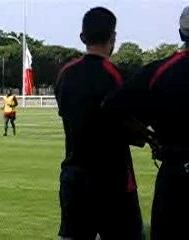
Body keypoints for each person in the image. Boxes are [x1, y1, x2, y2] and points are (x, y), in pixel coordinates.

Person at [55, 7, 144, 240]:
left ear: (83, 37)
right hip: (113, 181)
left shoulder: (65, 73)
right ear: (112, 37)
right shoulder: (117, 75)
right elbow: (132, 124)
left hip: (74, 179)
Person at [102, 6, 189, 240]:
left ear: (181, 34)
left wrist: (149, 136)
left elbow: (111, 107)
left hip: (176, 177)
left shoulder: (159, 71)